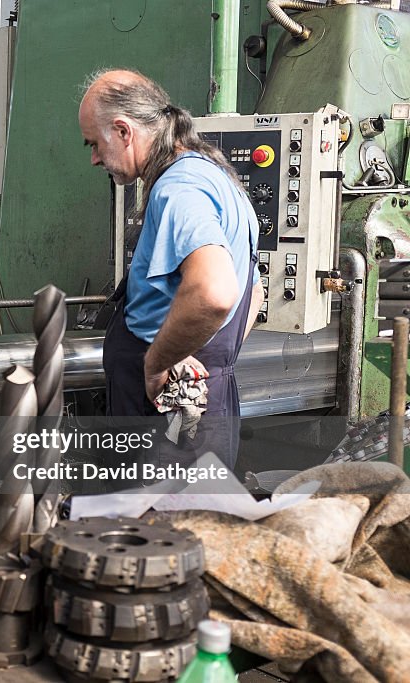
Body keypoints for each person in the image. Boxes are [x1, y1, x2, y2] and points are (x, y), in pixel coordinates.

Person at [78, 68, 263, 470]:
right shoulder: (218, 179)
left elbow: (214, 292)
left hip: (165, 414)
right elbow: (254, 294)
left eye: (95, 144)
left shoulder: (178, 187)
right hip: (197, 401)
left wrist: (159, 362)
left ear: (124, 131)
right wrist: (205, 355)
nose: (94, 158)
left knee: (152, 529)